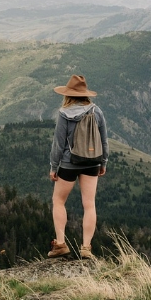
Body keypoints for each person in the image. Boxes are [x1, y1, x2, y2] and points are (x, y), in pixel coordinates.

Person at [48, 74, 108, 259]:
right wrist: (103, 162)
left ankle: (60, 244)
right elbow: (104, 139)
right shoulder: (96, 111)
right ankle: (86, 248)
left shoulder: (63, 113)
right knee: (89, 205)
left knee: (58, 201)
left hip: (69, 162)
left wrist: (54, 166)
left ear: (68, 94)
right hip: (92, 161)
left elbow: (58, 143)